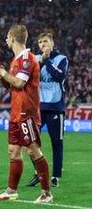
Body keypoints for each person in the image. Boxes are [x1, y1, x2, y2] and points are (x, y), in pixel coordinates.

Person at [0, 24, 53, 204]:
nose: (6, 40)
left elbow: (20, 84)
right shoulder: (16, 60)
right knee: (13, 151)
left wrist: (1, 71)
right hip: (16, 112)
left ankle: (46, 193)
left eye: (7, 37)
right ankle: (11, 190)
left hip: (26, 112)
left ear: (13, 38)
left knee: (32, 150)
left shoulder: (27, 58)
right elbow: (13, 84)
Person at [26, 32, 68, 188]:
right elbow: (30, 77)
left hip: (56, 106)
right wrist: (41, 60)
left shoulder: (61, 59)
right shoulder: (35, 60)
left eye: (45, 42)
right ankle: (39, 173)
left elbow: (59, 76)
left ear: (52, 43)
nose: (42, 45)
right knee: (30, 141)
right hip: (38, 107)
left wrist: (47, 60)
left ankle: (56, 176)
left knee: (57, 143)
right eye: (40, 42)